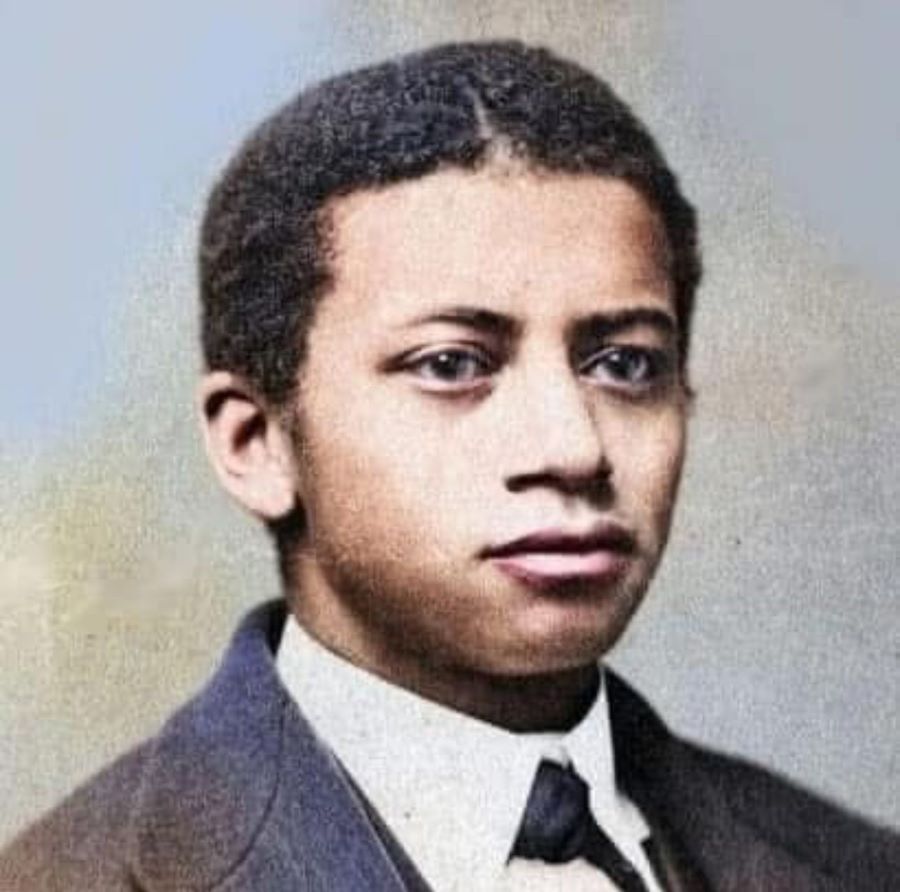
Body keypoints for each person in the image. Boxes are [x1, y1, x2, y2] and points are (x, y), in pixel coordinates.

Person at [0, 40, 896, 892]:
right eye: (452, 364)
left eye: (624, 364)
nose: (574, 447)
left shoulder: (854, 866)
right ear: (256, 444)